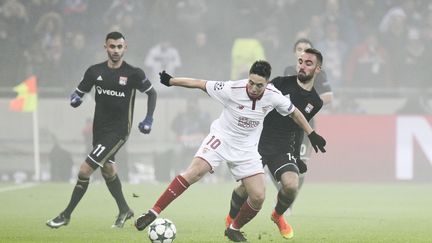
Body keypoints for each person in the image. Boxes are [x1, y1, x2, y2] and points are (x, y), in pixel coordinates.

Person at [134, 60, 326, 242]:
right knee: (194, 173)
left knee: (258, 196)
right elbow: (201, 83)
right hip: (221, 139)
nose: (253, 88)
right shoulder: (232, 88)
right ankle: (153, 212)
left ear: (266, 84)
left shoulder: (273, 95)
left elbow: (294, 112)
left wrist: (311, 133)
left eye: (259, 85)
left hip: (247, 149)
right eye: (251, 82)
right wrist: (171, 81)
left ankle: (233, 228)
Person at [46, 31, 157, 229]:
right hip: (99, 130)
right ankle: (124, 209)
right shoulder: (94, 71)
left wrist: (148, 118)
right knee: (108, 170)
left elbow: (152, 93)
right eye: (112, 46)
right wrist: (75, 99)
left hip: (119, 131)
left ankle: (66, 215)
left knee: (84, 170)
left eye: (119, 47)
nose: (115, 50)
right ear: (105, 47)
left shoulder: (133, 73)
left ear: (125, 48)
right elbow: (78, 92)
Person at [226, 48, 325, 239]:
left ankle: (277, 215)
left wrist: (296, 156)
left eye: (308, 63)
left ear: (318, 69)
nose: (302, 66)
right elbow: (255, 99)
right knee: (246, 188)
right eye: (301, 61)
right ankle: (231, 218)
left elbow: (297, 126)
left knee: (291, 185)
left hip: (282, 148)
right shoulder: (280, 83)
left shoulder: (316, 101)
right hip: (258, 142)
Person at [282, 38, 333, 212]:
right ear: (294, 53)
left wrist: (308, 104)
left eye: (307, 49)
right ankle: (284, 196)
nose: (303, 52)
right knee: (280, 163)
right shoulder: (288, 71)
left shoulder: (319, 73)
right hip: (285, 125)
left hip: (306, 126)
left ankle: (289, 199)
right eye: (299, 49)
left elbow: (328, 96)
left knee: (301, 165)